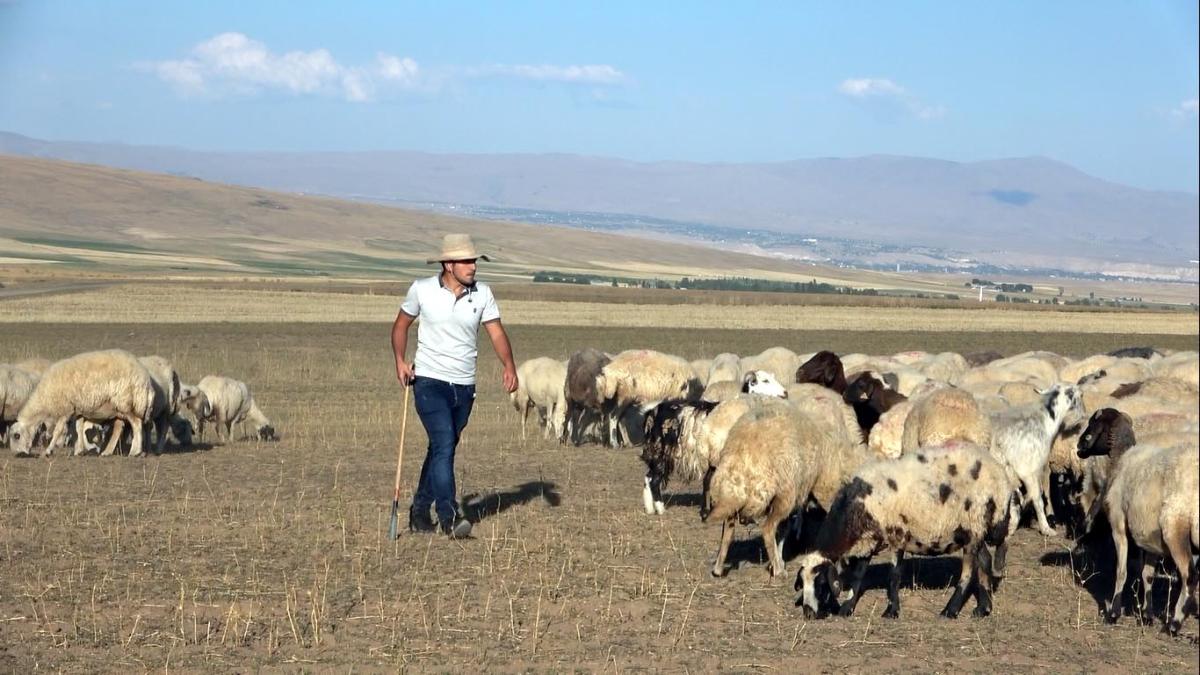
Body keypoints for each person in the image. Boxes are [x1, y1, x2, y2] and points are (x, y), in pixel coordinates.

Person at [391, 233, 519, 538]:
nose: (473, 266)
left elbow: (496, 333)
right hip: (429, 381)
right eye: (466, 261)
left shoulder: (483, 294)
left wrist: (509, 365)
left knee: (441, 448)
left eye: (474, 260)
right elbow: (400, 325)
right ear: (448, 264)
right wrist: (399, 360)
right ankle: (448, 517)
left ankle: (419, 511)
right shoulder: (422, 289)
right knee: (445, 443)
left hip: (464, 386)